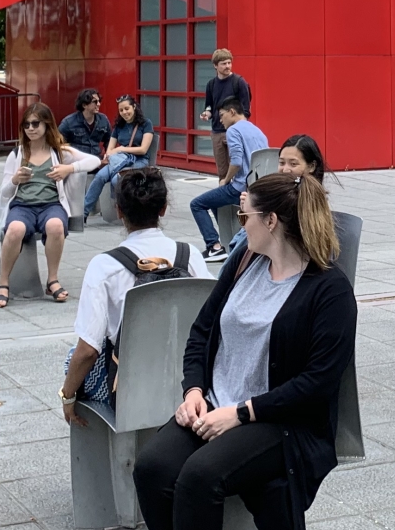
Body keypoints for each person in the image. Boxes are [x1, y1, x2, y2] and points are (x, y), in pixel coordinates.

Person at [133, 172, 356, 530]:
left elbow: (318, 382)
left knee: (199, 477)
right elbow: (202, 331)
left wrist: (241, 413)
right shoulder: (245, 263)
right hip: (217, 404)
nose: (240, 226)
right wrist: (192, 391)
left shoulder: (329, 290)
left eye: (244, 216)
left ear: (271, 221)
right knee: (151, 468)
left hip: (279, 421)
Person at [60, 167, 212, 415]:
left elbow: (88, 350)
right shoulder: (191, 256)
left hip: (127, 391)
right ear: (163, 209)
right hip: (190, 380)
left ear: (119, 211)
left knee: (72, 357)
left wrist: (67, 396)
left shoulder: (104, 266)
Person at [0, 103, 100, 308]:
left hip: (51, 205)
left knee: (56, 225)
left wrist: (69, 168)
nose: (31, 128)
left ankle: (52, 280)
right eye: (26, 124)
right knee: (14, 229)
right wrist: (15, 180)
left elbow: (94, 161)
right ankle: (3, 283)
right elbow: (4, 192)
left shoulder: (59, 151)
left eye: (35, 123)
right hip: (22, 205)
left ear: (46, 124)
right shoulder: (17, 154)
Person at [189, 98, 269, 263]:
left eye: (222, 115)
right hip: (258, 186)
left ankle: (214, 247)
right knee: (216, 201)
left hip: (240, 187)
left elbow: (237, 161)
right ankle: (230, 238)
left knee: (197, 204)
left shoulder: (233, 130)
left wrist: (226, 180)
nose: (220, 120)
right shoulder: (258, 131)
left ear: (232, 112)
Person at [81, 95, 157, 221]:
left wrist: (121, 148)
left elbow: (143, 149)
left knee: (118, 179)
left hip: (139, 160)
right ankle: (83, 213)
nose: (124, 113)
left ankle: (125, 212)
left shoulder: (145, 123)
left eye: (127, 108)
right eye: (121, 110)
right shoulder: (119, 126)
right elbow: (110, 149)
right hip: (121, 160)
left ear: (134, 107)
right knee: (100, 177)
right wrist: (109, 154)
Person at [199, 49, 251, 185]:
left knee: (238, 167)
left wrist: (241, 129)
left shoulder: (239, 82)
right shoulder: (211, 84)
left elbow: (246, 110)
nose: (227, 66)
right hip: (217, 131)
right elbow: (209, 106)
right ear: (215, 66)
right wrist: (206, 114)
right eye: (223, 63)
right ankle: (224, 202)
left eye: (229, 63)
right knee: (222, 172)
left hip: (235, 131)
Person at [60, 88, 113, 161]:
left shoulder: (103, 119)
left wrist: (108, 155)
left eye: (99, 101)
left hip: (96, 161)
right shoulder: (68, 122)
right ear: (84, 105)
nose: (99, 104)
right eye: (95, 102)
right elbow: (58, 143)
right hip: (76, 163)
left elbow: (109, 140)